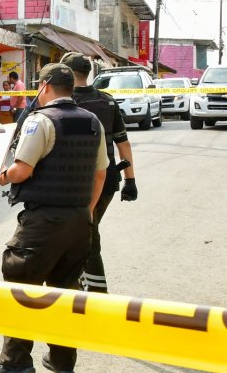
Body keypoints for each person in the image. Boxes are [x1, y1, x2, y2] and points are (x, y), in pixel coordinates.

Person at [0, 64, 107, 373]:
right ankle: (61, 361)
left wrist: (1, 176)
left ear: (45, 87)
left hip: (44, 223)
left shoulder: (40, 121)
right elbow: (100, 174)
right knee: (65, 292)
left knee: (20, 285)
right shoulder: (93, 122)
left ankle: (15, 363)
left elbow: (23, 169)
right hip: (80, 222)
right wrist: (88, 212)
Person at [61, 52, 138, 293]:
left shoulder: (66, 102)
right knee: (84, 233)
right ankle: (78, 287)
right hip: (108, 182)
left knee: (87, 236)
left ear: (67, 74)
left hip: (79, 184)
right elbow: (123, 142)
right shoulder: (107, 101)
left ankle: (95, 294)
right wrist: (131, 180)